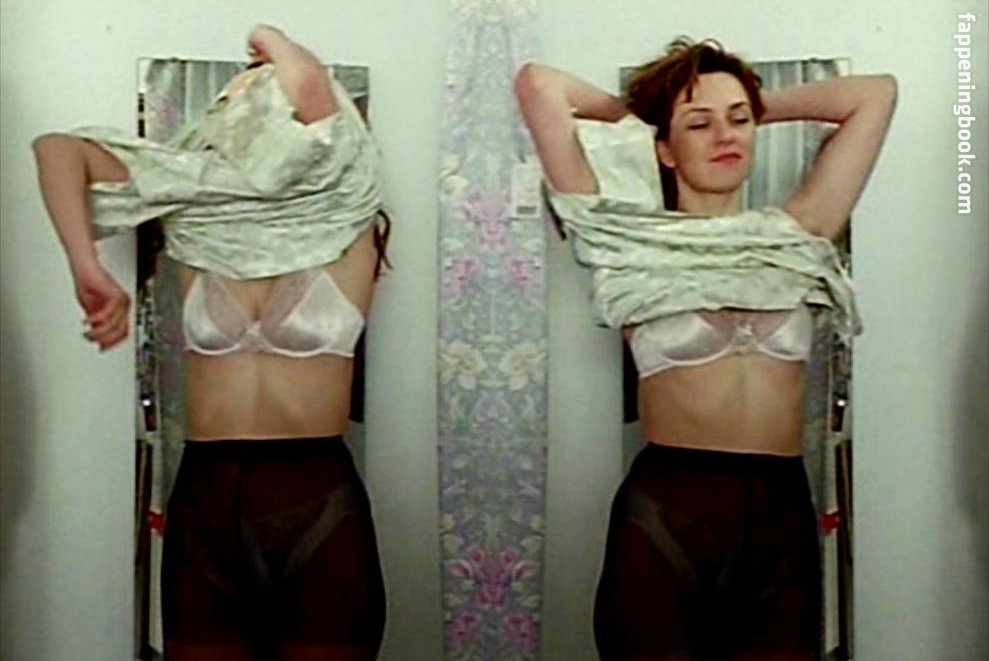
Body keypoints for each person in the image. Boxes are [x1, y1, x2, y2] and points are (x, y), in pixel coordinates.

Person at [515, 38, 895, 660]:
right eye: (699, 125)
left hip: (781, 523)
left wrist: (747, 106)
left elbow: (873, 94)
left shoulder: (798, 234)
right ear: (664, 148)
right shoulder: (625, 241)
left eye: (739, 121)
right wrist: (644, 115)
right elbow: (538, 84)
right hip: (667, 519)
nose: (726, 135)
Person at [33, 24, 388, 661]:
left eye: (266, 96)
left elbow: (316, 104)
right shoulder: (196, 212)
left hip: (316, 498)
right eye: (233, 100)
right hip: (203, 502)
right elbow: (57, 150)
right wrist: (88, 267)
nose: (251, 106)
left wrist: (268, 39)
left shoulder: (346, 217)